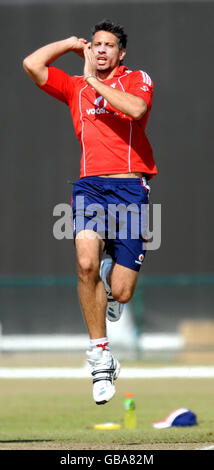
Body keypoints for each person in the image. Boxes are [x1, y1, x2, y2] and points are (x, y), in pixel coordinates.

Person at [23, 19, 157, 405]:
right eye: (95, 44)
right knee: (84, 262)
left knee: (122, 292)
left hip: (130, 188)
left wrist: (94, 82)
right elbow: (32, 65)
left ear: (121, 53)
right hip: (90, 187)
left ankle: (109, 274)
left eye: (108, 45)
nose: (100, 50)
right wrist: (67, 44)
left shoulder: (135, 78)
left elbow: (135, 109)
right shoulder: (74, 85)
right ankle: (100, 356)